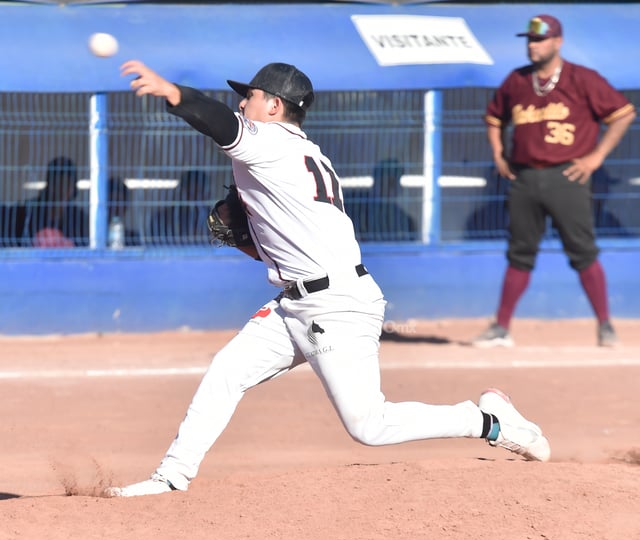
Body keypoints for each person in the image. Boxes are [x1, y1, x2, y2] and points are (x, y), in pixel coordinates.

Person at [106, 59, 551, 497]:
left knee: (370, 426)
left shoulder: (269, 142)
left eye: (251, 95)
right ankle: (171, 476)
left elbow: (219, 122)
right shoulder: (304, 152)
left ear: (275, 106)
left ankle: (487, 421)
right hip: (296, 301)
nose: (243, 103)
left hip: (335, 305)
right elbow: (289, 240)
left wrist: (175, 94)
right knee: (226, 371)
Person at [472, 14, 636, 349]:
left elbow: (623, 113)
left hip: (568, 176)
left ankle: (606, 326)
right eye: (529, 40)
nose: (533, 45)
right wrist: (498, 154)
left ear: (557, 42)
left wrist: (597, 157)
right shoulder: (517, 80)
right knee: (519, 253)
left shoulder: (581, 78)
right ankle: (501, 328)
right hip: (525, 177)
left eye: (540, 40)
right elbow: (493, 117)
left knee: (582, 251)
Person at [22, 156, 89, 247]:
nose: (62, 189)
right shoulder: (29, 212)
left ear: (73, 188)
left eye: (67, 183)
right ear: (50, 185)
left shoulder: (79, 219)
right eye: (58, 182)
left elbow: (85, 248)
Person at [345, 158, 417, 241]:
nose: (392, 188)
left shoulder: (406, 223)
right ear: (375, 182)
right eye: (389, 183)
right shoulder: (352, 206)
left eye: (394, 183)